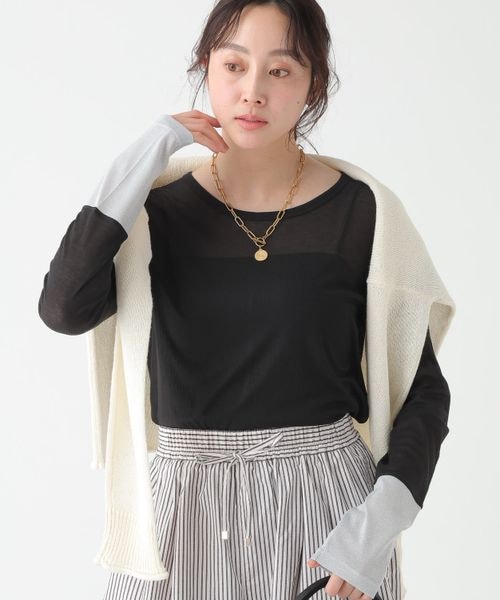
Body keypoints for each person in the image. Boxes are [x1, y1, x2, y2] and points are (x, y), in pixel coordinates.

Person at [38, 1, 455, 599]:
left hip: (327, 516)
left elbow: (424, 393)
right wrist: (152, 147)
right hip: (181, 510)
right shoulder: (153, 212)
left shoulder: (364, 213)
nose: (253, 91)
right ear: (205, 68)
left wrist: (375, 529)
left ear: (314, 85)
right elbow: (63, 308)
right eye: (234, 65)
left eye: (280, 70)